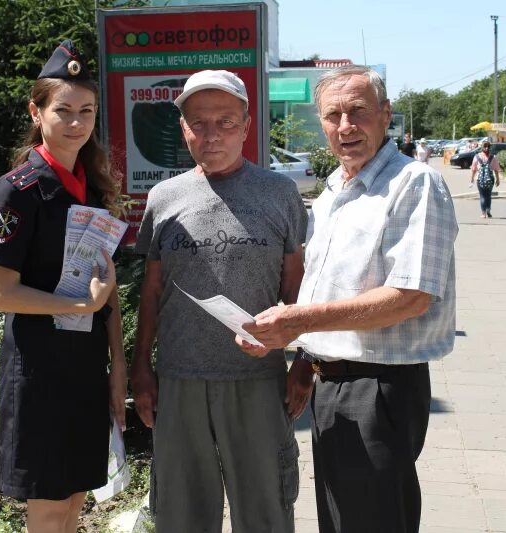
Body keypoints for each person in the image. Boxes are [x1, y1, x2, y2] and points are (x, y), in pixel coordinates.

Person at [240, 65, 459, 533]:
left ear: (385, 116)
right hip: (330, 384)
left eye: (357, 112)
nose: (345, 126)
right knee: (341, 521)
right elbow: (329, 283)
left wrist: (297, 322)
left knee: (374, 521)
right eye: (332, 114)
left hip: (379, 388)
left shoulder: (413, 183)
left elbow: (411, 296)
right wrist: (306, 359)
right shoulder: (336, 189)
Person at [130, 69, 309, 533]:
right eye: (198, 122)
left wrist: (304, 362)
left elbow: (297, 288)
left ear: (247, 125)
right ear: (184, 128)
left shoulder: (280, 193)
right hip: (179, 382)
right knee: (181, 515)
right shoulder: (163, 198)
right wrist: (141, 368)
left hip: (257, 381)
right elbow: (151, 291)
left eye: (226, 122)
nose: (212, 135)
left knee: (265, 513)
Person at [0, 40, 127, 533]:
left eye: (86, 111)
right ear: (36, 111)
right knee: (47, 506)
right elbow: (1, 294)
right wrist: (79, 301)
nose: (76, 123)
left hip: (86, 367)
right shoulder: (17, 190)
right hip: (40, 370)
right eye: (63, 110)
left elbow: (107, 293)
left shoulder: (93, 186)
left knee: (74, 500)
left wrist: (119, 367)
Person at [470, 141, 501, 218]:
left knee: (482, 196)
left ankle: (483, 213)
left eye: (487, 147)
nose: (486, 148)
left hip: (480, 179)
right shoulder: (493, 157)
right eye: (486, 147)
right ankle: (488, 210)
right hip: (490, 179)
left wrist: (472, 179)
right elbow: (496, 169)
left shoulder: (477, 157)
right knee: (488, 195)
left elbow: (473, 169)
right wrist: (497, 179)